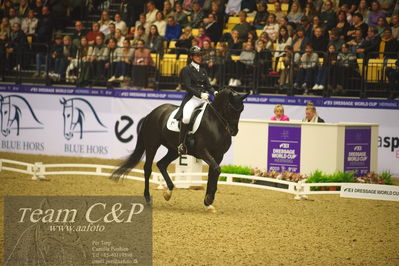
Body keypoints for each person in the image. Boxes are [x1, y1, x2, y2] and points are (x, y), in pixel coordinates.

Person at [175, 46, 217, 155]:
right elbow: (188, 87)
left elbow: (208, 86)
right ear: (191, 56)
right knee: (186, 118)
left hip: (204, 98)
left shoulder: (203, 70)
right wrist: (199, 94)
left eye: (200, 55)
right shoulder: (186, 70)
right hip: (193, 98)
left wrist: (215, 92)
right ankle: (181, 144)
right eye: (196, 55)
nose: (199, 57)